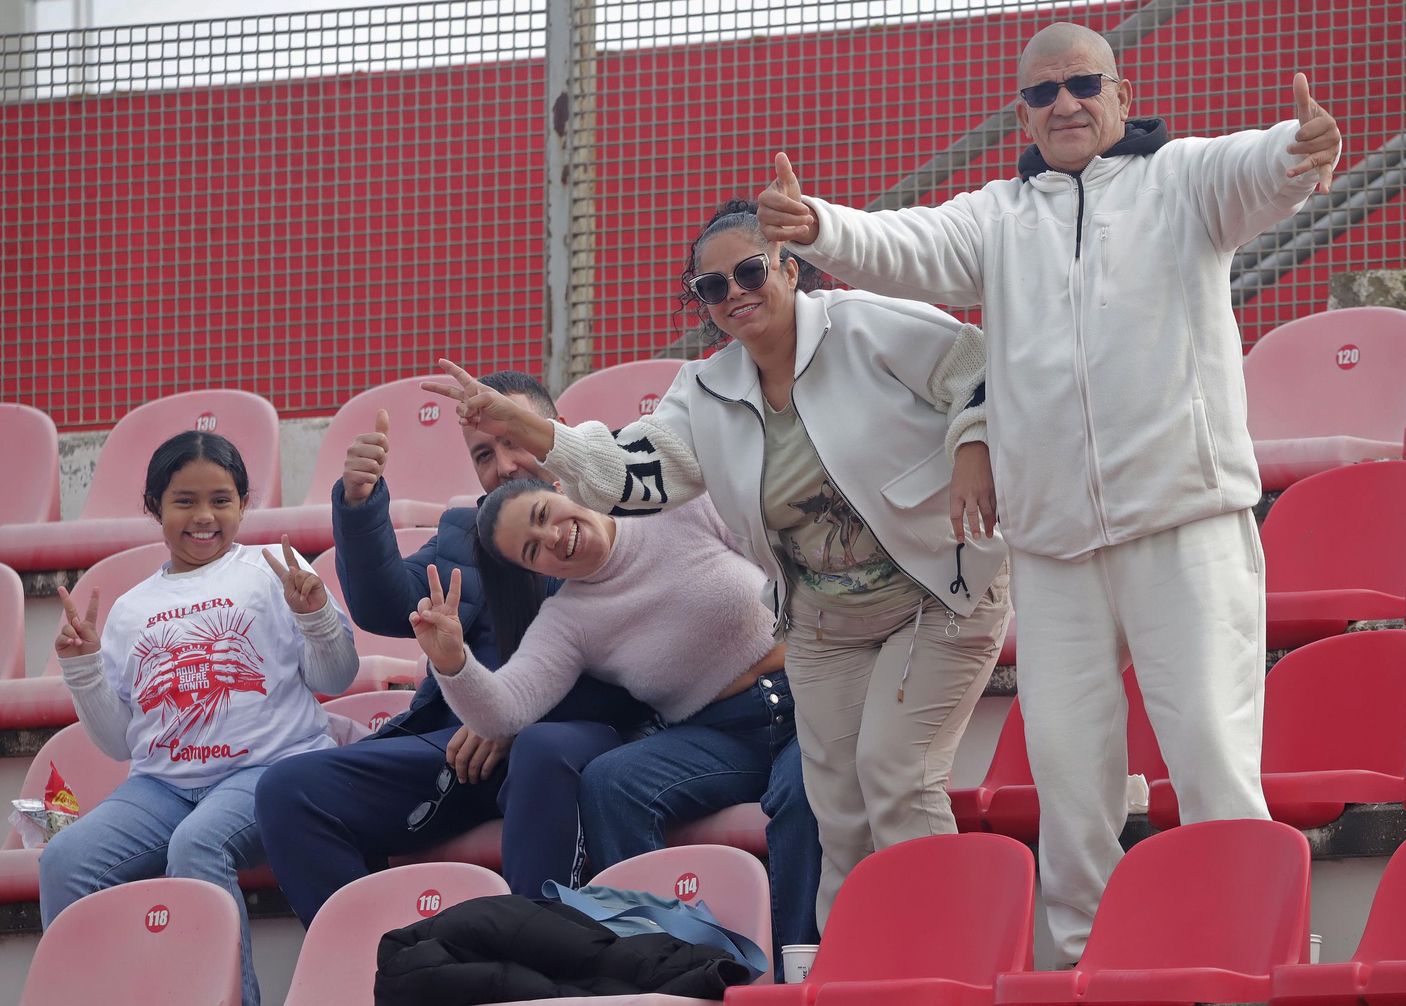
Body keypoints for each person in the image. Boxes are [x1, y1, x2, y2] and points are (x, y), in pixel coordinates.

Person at [754, 21, 1343, 964]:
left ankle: (1251, 952)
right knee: (1072, 781)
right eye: (1041, 94)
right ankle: (1082, 961)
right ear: (1022, 111)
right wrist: (819, 226)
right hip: (1054, 545)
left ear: (1118, 91)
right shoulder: (998, 215)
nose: (1063, 104)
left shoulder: (1184, 178)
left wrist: (1298, 149)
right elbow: (904, 244)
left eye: (1080, 85)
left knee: (1211, 760)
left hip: (1185, 520)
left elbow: (1257, 170)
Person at [422, 198, 1012, 932]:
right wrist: (535, 434)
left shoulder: (863, 325)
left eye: (750, 271)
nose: (734, 293)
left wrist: (974, 447)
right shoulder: (704, 393)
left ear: (790, 269)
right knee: (836, 813)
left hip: (937, 592)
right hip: (828, 626)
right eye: (711, 286)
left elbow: (973, 363)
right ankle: (836, 968)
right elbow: (628, 473)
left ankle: (937, 957)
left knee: (895, 779)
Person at [256, 371, 654, 925]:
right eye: (485, 454)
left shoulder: (621, 518)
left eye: (516, 440)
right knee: (288, 790)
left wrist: (509, 717)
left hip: (576, 741)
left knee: (541, 748)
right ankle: (381, 967)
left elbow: (644, 673)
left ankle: (542, 958)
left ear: (559, 431)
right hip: (458, 749)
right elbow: (385, 606)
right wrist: (360, 503)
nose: (505, 465)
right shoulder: (466, 535)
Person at [412, 480, 822, 952]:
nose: (551, 538)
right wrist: (453, 664)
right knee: (611, 783)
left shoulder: (682, 510)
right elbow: (504, 712)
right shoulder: (568, 620)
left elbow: (784, 564)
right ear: (533, 570)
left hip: (806, 697)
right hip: (719, 733)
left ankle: (798, 969)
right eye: (531, 550)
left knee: (802, 790)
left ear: (562, 489)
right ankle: (672, 961)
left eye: (544, 513)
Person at [42, 431, 359, 1006]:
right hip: (160, 786)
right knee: (65, 860)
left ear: (242, 504)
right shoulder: (130, 608)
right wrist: (83, 669)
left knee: (197, 846)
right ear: (154, 508)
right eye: (184, 501)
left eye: (222, 499)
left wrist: (314, 615)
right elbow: (117, 742)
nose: (204, 516)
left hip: (271, 770)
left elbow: (335, 677)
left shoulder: (272, 573)